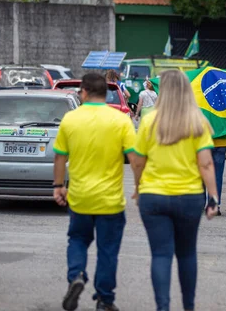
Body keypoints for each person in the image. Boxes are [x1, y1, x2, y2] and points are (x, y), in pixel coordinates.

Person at [129, 69, 218, 311]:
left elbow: (137, 161)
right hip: (189, 198)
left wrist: (138, 188)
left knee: (160, 255)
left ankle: (163, 307)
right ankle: (188, 306)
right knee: (187, 254)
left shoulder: (148, 120)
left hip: (153, 196)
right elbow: (206, 163)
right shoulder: (198, 121)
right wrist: (213, 198)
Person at [52, 73, 136, 311]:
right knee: (108, 250)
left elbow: (60, 156)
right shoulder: (120, 120)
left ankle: (76, 275)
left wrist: (59, 186)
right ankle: (104, 300)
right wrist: (140, 187)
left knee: (78, 239)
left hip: (79, 199)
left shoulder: (71, 119)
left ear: (85, 92)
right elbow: (135, 158)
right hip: (111, 201)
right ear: (105, 93)